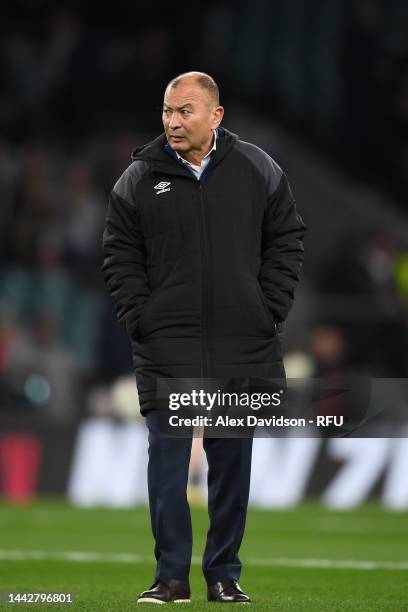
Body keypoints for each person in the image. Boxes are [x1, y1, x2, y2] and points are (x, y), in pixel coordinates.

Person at [102, 71, 306, 604]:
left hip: (245, 339)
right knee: (167, 465)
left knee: (232, 467)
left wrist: (269, 306)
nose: (172, 122)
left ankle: (224, 575)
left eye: (184, 111)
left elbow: (288, 236)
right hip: (167, 341)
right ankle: (171, 577)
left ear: (215, 116)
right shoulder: (139, 176)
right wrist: (141, 315)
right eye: (167, 112)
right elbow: (119, 252)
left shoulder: (257, 168)